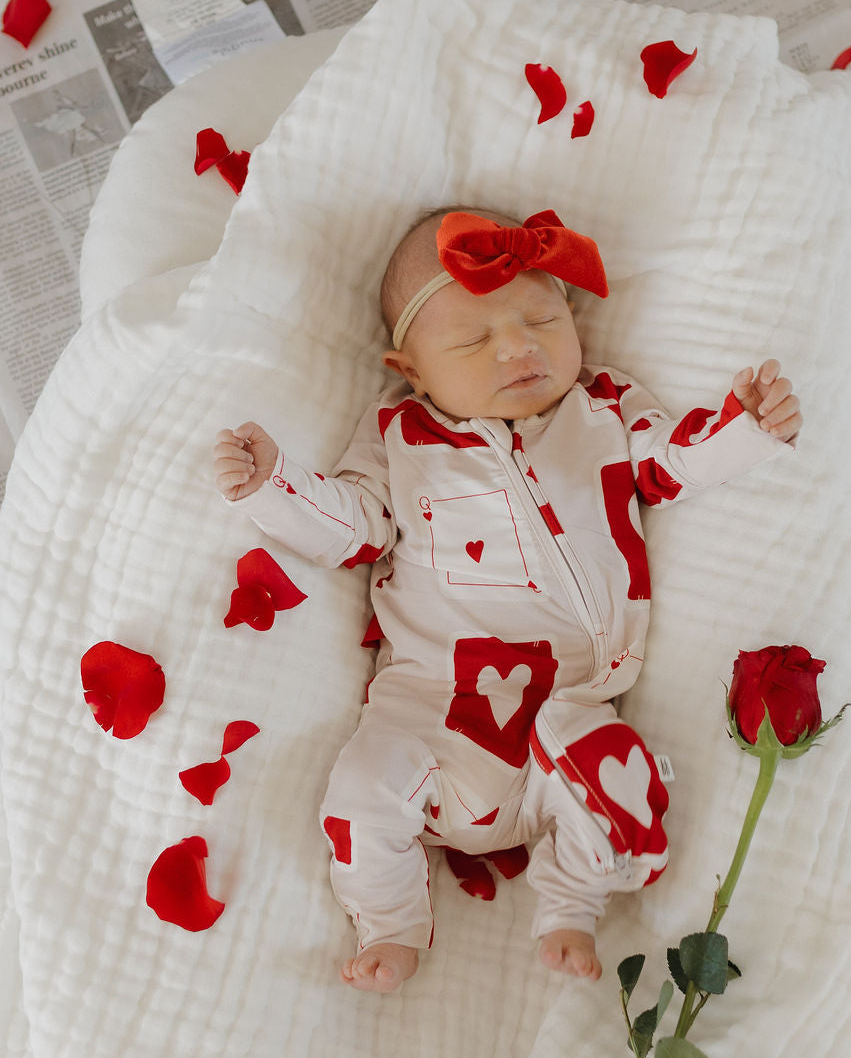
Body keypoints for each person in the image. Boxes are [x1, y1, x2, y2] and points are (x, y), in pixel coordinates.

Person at [212, 206, 802, 994]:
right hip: (434, 715)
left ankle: (571, 899)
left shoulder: (603, 407)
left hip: (571, 711)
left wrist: (746, 428)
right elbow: (354, 527)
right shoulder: (400, 433)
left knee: (624, 779)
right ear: (412, 369)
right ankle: (389, 922)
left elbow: (672, 463)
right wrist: (274, 486)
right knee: (361, 789)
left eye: (540, 316)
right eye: (472, 339)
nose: (518, 346)